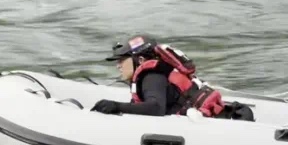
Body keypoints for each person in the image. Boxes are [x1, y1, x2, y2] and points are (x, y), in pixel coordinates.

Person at [91, 34, 232, 119]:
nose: (118, 65)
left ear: (140, 60)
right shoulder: (158, 73)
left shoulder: (152, 76)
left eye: (122, 60)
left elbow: (156, 108)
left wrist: (116, 106)